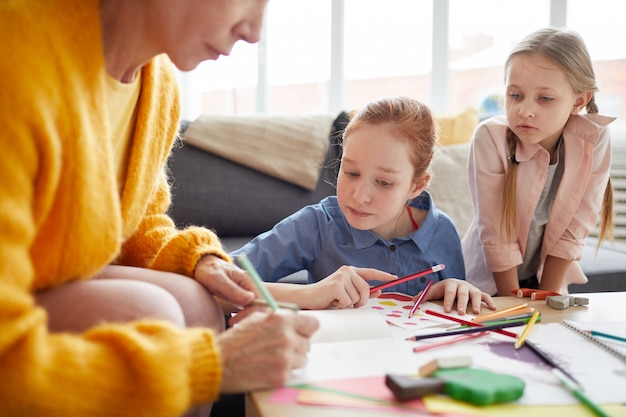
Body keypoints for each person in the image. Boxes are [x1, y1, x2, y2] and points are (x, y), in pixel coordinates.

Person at [0, 1, 320, 416]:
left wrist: (196, 260)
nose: (253, 31)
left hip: (39, 279)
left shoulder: (157, 83)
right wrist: (205, 367)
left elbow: (132, 221)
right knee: (149, 314)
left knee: (196, 301)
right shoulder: (17, 54)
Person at [232, 97, 496, 315]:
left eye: (383, 182)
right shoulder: (317, 225)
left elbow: (456, 313)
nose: (359, 196)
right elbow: (225, 278)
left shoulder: (441, 232)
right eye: (351, 173)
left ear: (417, 185)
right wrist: (308, 295)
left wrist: (453, 288)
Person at [461, 28, 615, 297]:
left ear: (579, 101)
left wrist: (548, 297)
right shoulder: (489, 138)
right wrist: (513, 305)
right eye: (515, 95)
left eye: (545, 98)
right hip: (487, 284)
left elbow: (574, 227)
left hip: (545, 277)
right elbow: (497, 235)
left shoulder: (595, 139)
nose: (525, 110)